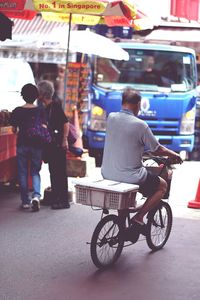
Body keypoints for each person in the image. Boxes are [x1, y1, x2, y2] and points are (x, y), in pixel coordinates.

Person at [101, 87, 182, 227]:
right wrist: (174, 154)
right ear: (138, 104)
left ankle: (122, 226)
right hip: (131, 176)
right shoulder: (140, 125)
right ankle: (139, 217)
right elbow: (157, 149)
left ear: (123, 102)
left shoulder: (111, 118)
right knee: (162, 186)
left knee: (126, 193)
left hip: (107, 173)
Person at [10, 83, 45, 211]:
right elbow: (44, 127)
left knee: (23, 172)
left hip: (22, 144)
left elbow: (14, 130)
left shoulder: (17, 111)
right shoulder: (40, 110)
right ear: (36, 96)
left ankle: (25, 201)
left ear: (22, 96)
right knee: (35, 171)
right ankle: (36, 196)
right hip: (37, 145)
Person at [37, 80, 70, 210]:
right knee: (53, 172)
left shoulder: (55, 106)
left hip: (58, 145)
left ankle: (63, 201)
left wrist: (64, 140)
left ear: (42, 93)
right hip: (52, 146)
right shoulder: (45, 108)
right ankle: (56, 198)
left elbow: (65, 123)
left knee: (60, 173)